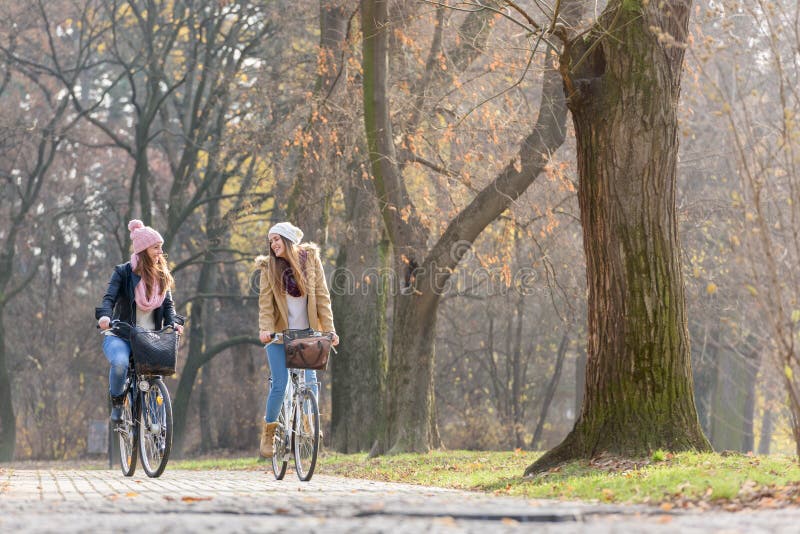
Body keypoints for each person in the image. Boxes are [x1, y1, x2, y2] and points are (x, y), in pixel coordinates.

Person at [256, 222, 339, 458]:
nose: (272, 245)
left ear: (288, 239)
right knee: (280, 386)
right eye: (270, 241)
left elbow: (323, 296)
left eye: (276, 239)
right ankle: (269, 434)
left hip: (307, 335)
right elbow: (265, 304)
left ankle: (308, 424)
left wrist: (330, 330)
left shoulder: (310, 261)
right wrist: (266, 329)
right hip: (279, 336)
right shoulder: (268, 268)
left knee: (311, 383)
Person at [95, 220, 183, 423]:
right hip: (122, 335)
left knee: (154, 379)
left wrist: (174, 323)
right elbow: (109, 298)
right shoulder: (123, 272)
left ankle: (159, 428)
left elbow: (168, 306)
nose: (161, 252)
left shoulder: (162, 275)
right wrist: (105, 317)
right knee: (120, 364)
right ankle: (117, 404)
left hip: (150, 338)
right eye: (156, 247)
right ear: (143, 250)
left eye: (161, 247)